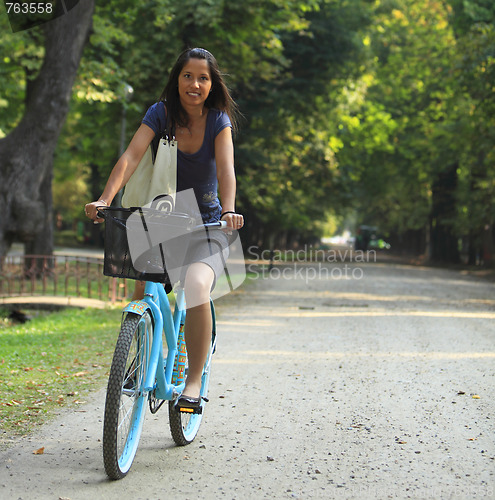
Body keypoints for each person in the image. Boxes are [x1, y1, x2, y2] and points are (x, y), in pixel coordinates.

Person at [85, 48, 244, 410]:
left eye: (203, 77)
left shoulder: (218, 120)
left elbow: (225, 171)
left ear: (211, 84)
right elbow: (131, 156)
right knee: (143, 285)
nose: (195, 84)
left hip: (207, 224)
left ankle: (191, 384)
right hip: (162, 218)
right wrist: (105, 198)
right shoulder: (161, 113)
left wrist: (231, 209)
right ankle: (142, 360)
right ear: (177, 79)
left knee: (196, 286)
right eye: (188, 75)